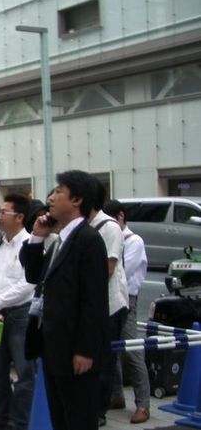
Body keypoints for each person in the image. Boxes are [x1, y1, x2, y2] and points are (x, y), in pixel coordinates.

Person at [19, 170, 109, 430]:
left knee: (79, 418)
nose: (52, 197)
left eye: (59, 191)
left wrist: (85, 350)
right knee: (61, 416)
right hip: (53, 344)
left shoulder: (88, 240)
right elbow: (34, 275)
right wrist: (36, 236)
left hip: (75, 350)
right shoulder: (60, 239)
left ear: (77, 200)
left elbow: (94, 302)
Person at [0, 194, 36, 430]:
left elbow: (28, 283)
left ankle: (18, 422)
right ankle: (1, 416)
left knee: (25, 374)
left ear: (20, 217)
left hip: (20, 316)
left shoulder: (31, 245)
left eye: (5, 213)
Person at [103, 199, 151, 424]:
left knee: (132, 352)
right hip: (109, 301)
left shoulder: (134, 241)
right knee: (110, 352)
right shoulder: (110, 237)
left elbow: (121, 271)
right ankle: (116, 396)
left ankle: (143, 404)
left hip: (127, 301)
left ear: (121, 217)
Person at [89, 180, 129, 427]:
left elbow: (109, 268)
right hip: (91, 304)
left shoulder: (109, 227)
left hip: (109, 304)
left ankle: (99, 410)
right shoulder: (83, 225)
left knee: (104, 360)